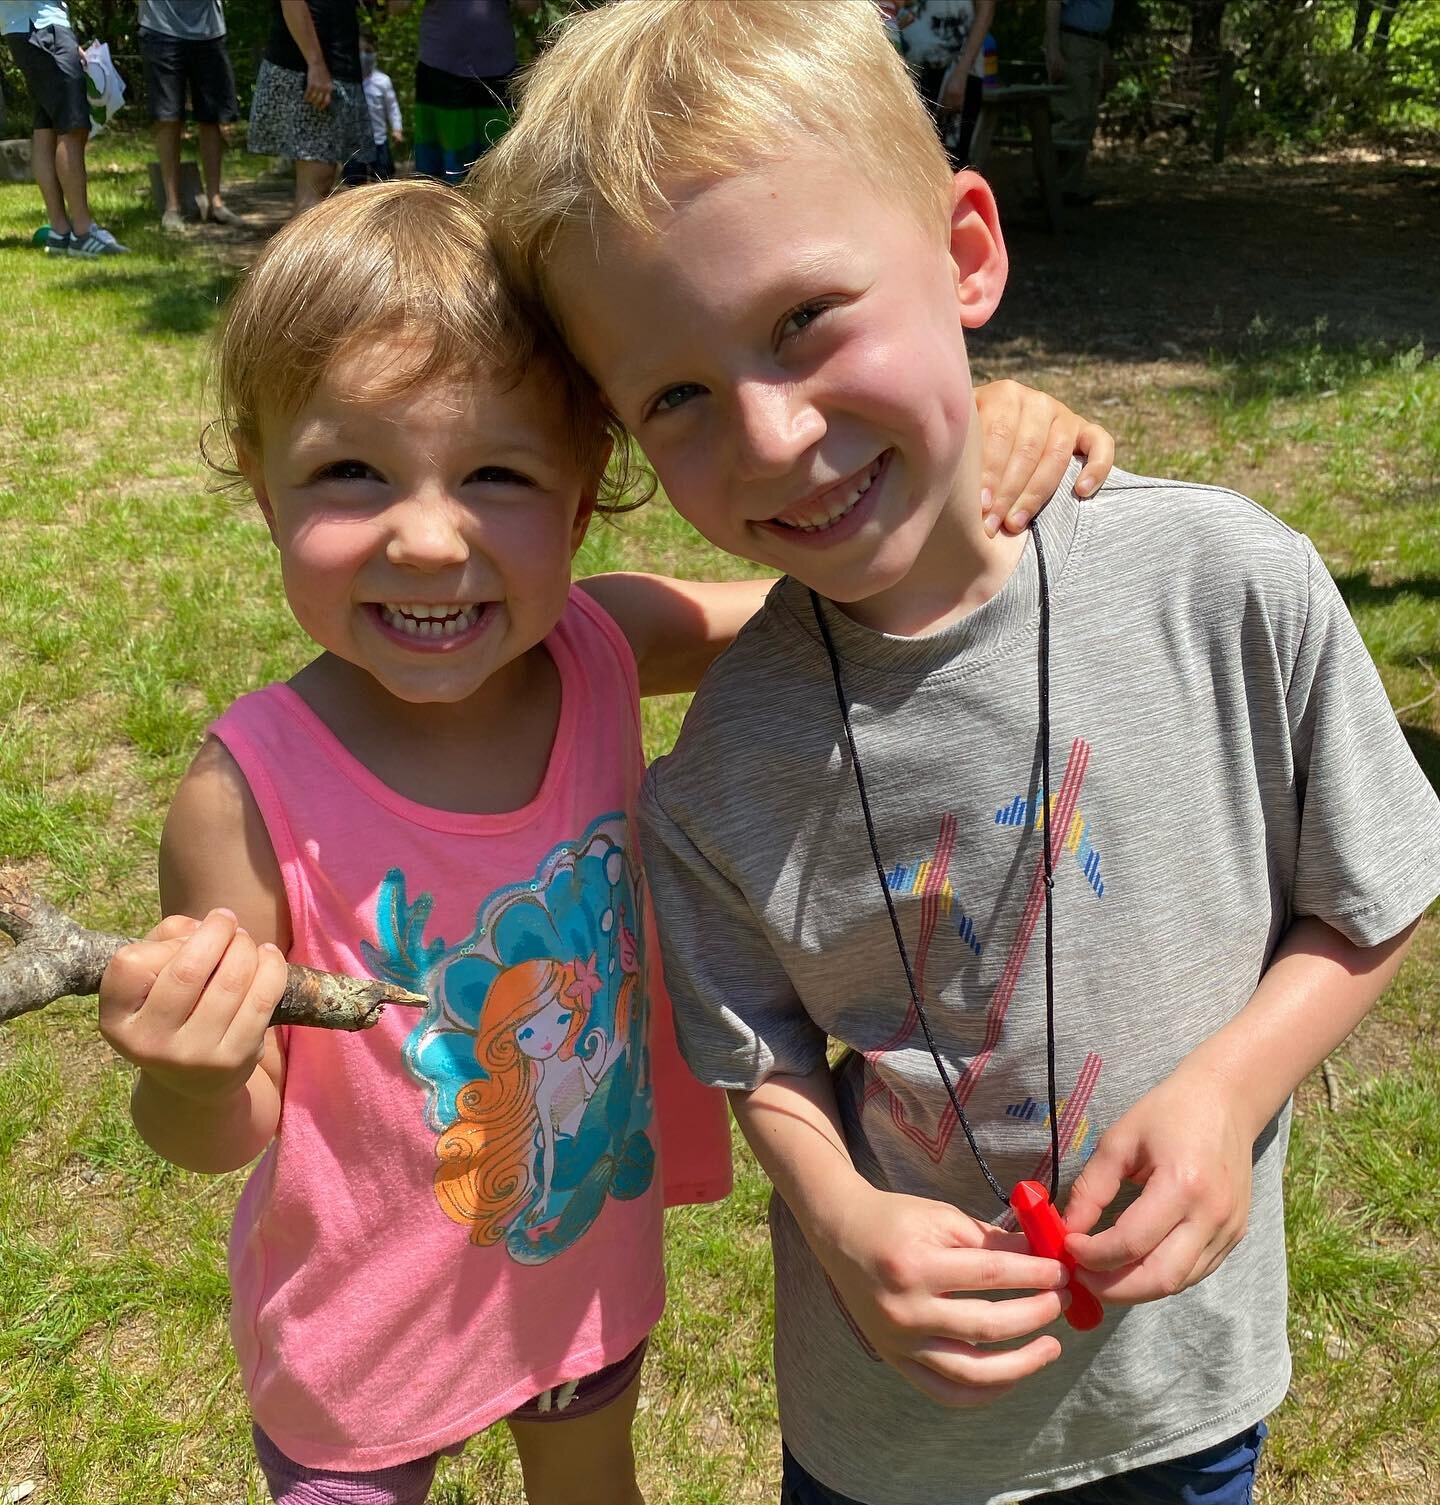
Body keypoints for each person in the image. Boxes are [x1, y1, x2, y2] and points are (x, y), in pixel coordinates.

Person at [475, 3, 1440, 1502]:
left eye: (806, 321)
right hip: (891, 1436)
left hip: (1183, 1394)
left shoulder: (1228, 585)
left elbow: (1372, 890)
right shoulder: (722, 768)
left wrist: (1234, 1090)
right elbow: (762, 1058)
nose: (777, 434)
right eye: (675, 395)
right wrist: (842, 1217)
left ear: (967, 251)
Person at [95, 177, 1111, 1503]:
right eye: (350, 470)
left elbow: (848, 594)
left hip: (579, 1277)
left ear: (582, 504)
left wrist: (985, 464)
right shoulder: (242, 792)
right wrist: (185, 1073)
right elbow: (224, 1131)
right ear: (263, 481)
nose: (425, 535)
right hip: (358, 1338)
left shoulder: (603, 647)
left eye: (498, 475)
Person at [1, 0, 128, 254]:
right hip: (40, 28)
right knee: (72, 127)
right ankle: (82, 231)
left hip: (33, 29)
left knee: (46, 127)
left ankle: (60, 232)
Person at [389, 0, 538, 186]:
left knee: (499, 170)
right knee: (438, 180)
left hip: (498, 71)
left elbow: (529, 7)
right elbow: (397, 7)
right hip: (441, 71)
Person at [248, 0, 368, 215]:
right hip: (309, 71)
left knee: (322, 182)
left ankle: (296, 248)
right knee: (316, 186)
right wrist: (316, 65)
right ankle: (296, 249)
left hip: (338, 67)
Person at [137, 0, 242, 231]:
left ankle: (216, 202)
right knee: (167, 117)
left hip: (210, 30)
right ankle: (172, 207)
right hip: (160, 27)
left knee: (212, 116)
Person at [898, 0, 994, 169]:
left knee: (950, 166)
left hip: (956, 72)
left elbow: (985, 11)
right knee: (904, 163)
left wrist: (961, 74)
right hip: (904, 69)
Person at [1044, 0, 1112, 205]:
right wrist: (1053, 49)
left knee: (1088, 119)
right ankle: (1043, 184)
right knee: (1071, 117)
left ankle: (1069, 188)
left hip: (1096, 45)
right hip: (1073, 43)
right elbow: (1053, 4)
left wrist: (1105, 51)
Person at [342, 29, 402, 184]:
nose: (363, 56)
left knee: (383, 181)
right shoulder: (346, 82)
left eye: (367, 51)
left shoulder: (383, 81)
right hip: (354, 143)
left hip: (379, 141)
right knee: (353, 183)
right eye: (359, 51)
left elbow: (392, 107)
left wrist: (397, 129)